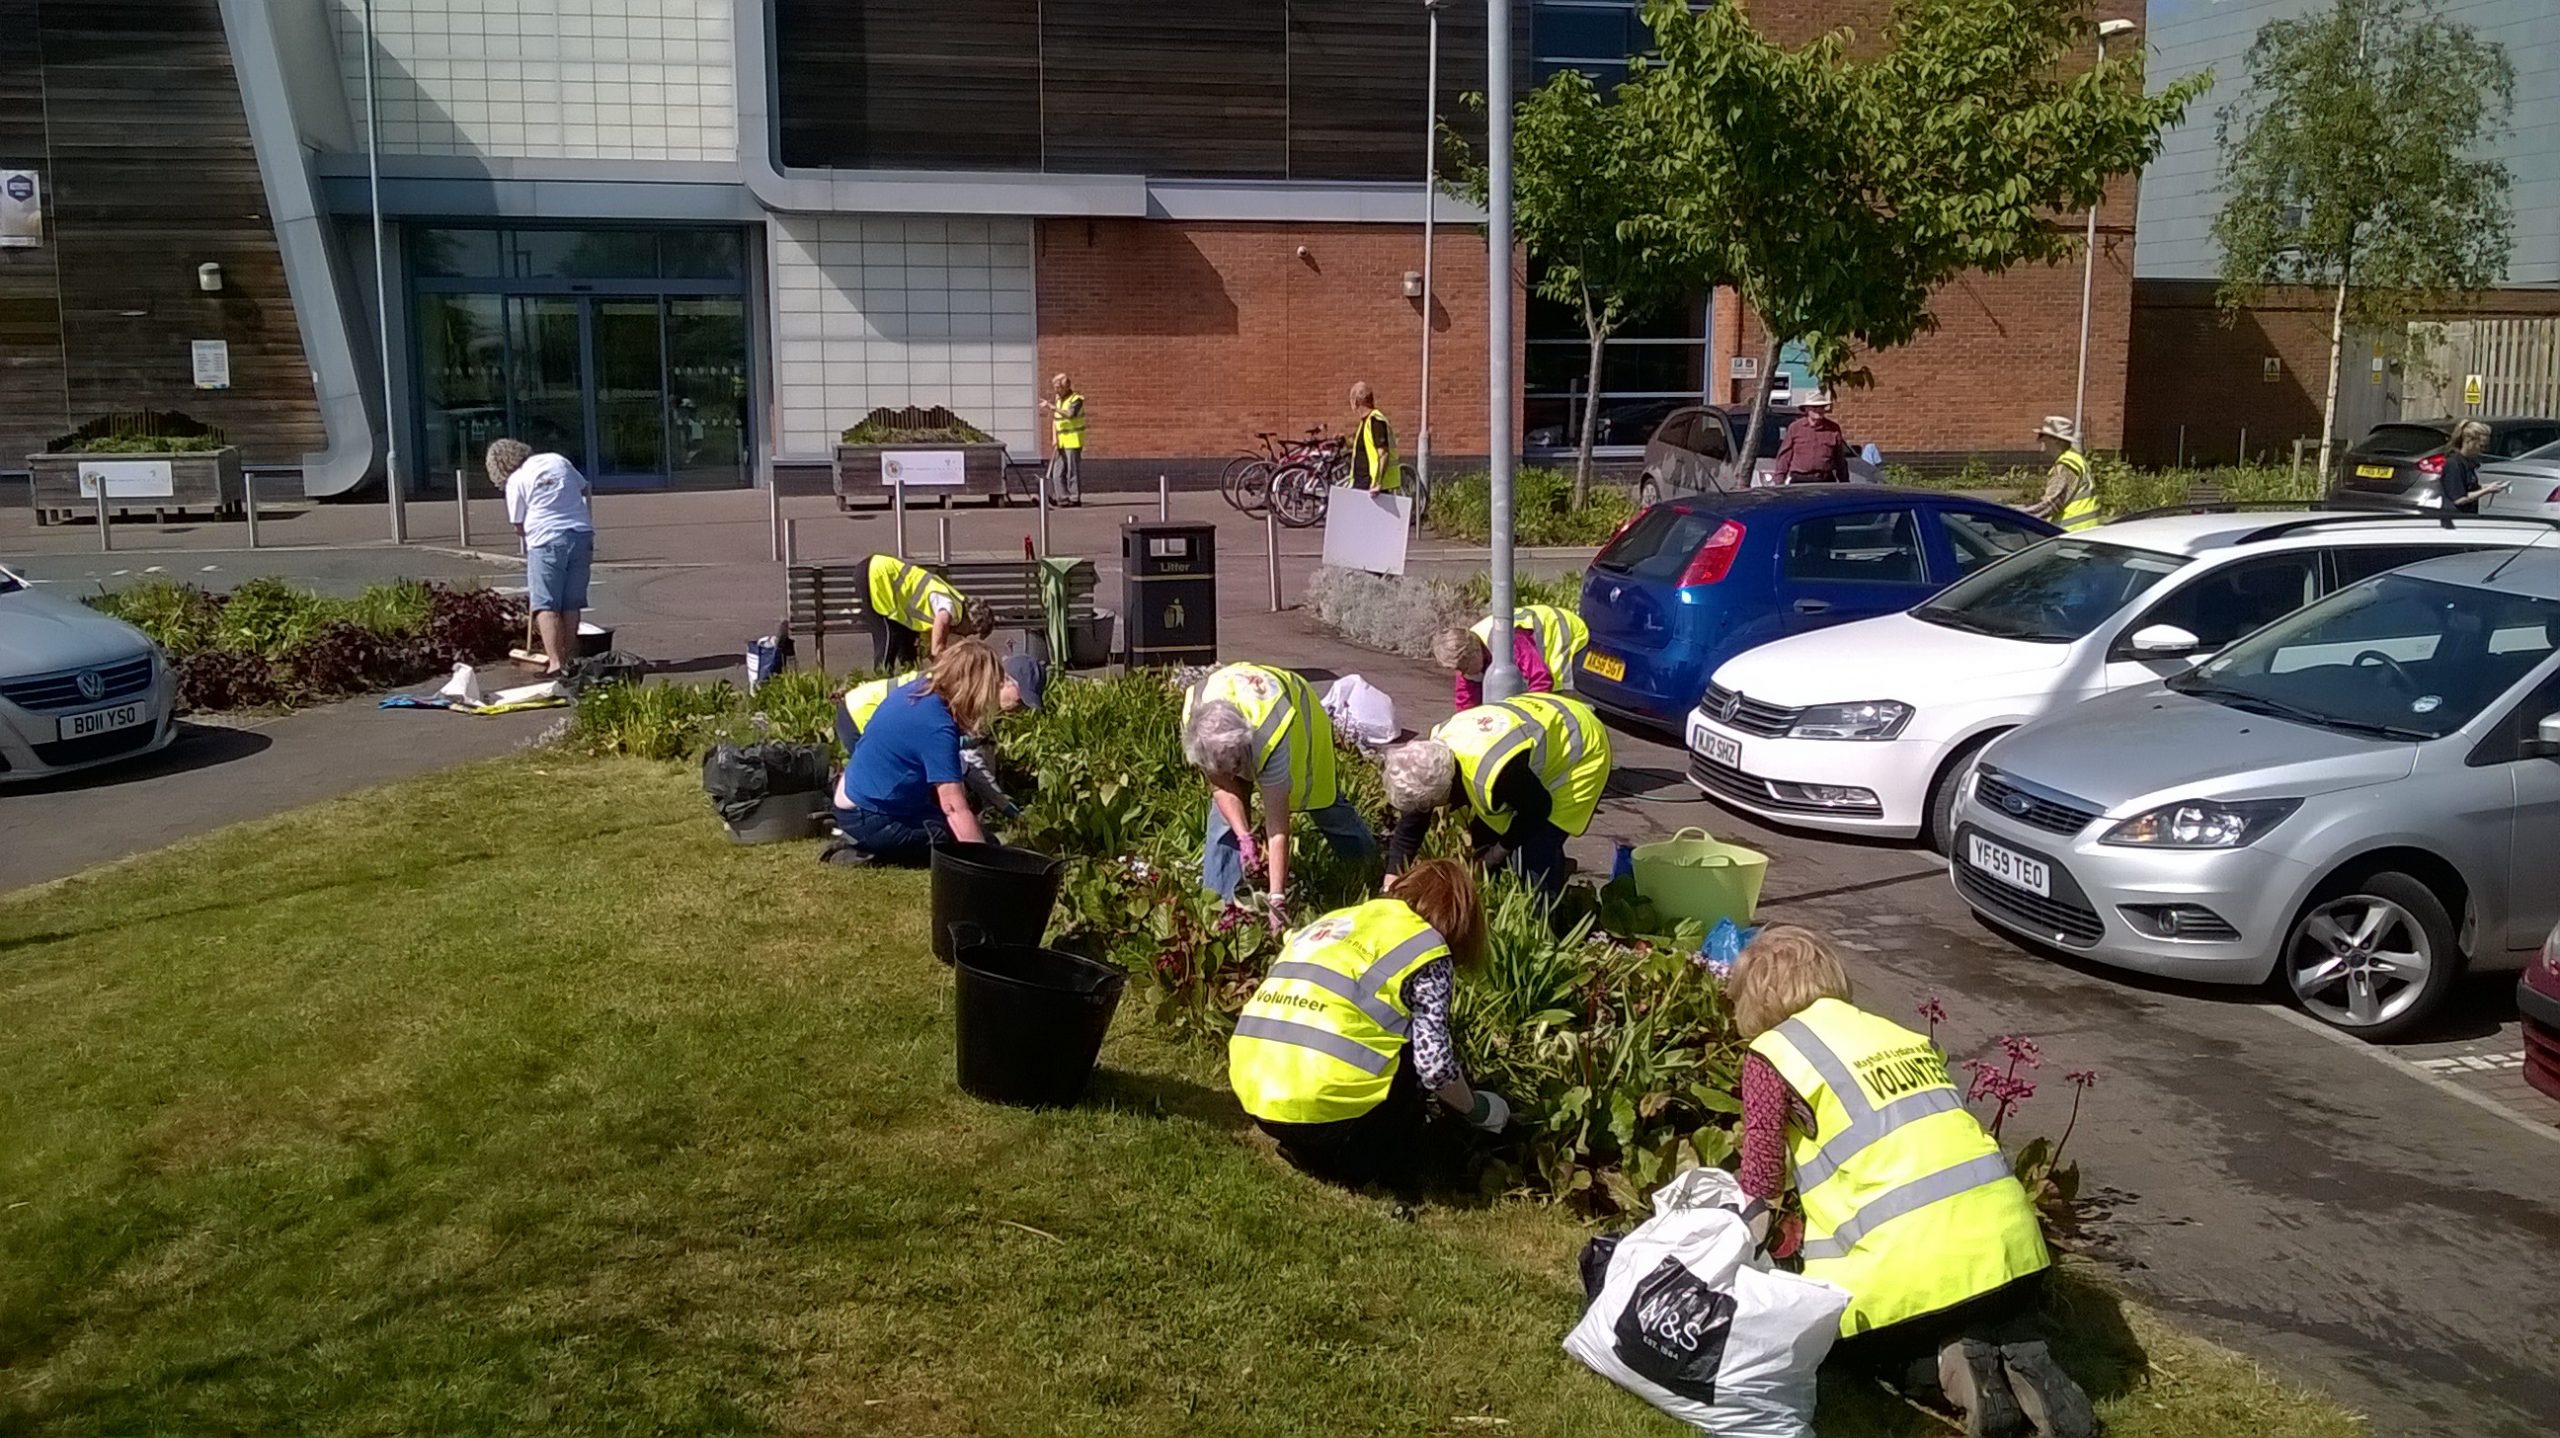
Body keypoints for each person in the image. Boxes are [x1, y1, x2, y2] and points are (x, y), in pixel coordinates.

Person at [1728, 927, 2091, 1438]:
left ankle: (1942, 1372)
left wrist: (1731, 1255)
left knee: (1846, 1350)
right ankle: (2015, 1351)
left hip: (1908, 1283)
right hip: (2017, 1259)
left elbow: (1762, 1182)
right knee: (1977, 1305)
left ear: (1753, 997)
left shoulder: (1773, 1055)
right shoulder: (1894, 1035)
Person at [1228, 857, 1509, 1196]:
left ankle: (1309, 1147)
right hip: (1322, 1107)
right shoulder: (1427, 948)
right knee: (1406, 1052)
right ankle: (1362, 1161)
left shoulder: (1336, 920)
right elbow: (1434, 1067)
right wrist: (1479, 1110)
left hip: (1256, 1091)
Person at [1182, 661, 1379, 913]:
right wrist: (1244, 836)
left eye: (1236, 768)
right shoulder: (1196, 726)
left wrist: (1277, 899)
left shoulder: (1271, 732)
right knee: (1223, 819)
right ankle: (1219, 906)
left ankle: (1368, 866)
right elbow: (1221, 788)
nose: (1233, 776)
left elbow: (1277, 828)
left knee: (1323, 802)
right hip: (1234, 736)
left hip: (1297, 720)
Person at [1382, 693, 1610, 903]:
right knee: (1486, 835)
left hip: (1580, 744)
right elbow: (1412, 824)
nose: (1426, 810)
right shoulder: (1428, 760)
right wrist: (1390, 885)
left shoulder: (1494, 773)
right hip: (1540, 715)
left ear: (1445, 790)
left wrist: (1496, 854)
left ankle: (1545, 920)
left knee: (1538, 847)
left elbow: (1539, 808)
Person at [830, 639, 1006, 866]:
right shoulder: (937, 726)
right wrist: (985, 863)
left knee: (961, 831)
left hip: (857, 797)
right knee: (956, 842)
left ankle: (861, 841)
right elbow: (954, 808)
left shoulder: (917, 690)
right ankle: (862, 851)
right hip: (869, 815)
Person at [833, 652, 1043, 819]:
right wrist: (1005, 808)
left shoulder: (974, 685)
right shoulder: (971, 696)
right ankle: (855, 829)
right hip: (860, 714)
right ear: (1007, 681)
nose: (1021, 710)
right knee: (880, 794)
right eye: (1021, 700)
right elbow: (968, 764)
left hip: (874, 712)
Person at [486, 438, 594, 674]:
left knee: (546, 604)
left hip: (546, 541)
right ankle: (570, 658)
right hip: (581, 535)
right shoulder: (558, 460)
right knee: (571, 602)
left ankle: (556, 662)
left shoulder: (516, 480)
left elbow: (518, 524)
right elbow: (582, 486)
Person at [1432, 604, 1592, 708]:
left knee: (1561, 698)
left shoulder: (1509, 640)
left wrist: (1529, 713)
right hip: (1536, 636)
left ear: (1475, 653)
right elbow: (1466, 702)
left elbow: (1541, 678)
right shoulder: (1466, 650)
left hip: (1564, 634)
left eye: (1464, 667)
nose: (1462, 673)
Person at [862, 553, 990, 667]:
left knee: (908, 650)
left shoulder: (955, 604)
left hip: (880, 575)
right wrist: (940, 656)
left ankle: (908, 680)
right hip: (877, 576)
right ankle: (879, 681)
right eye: (971, 632)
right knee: (889, 638)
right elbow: (938, 639)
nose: (966, 635)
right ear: (971, 622)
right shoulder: (951, 609)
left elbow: (929, 647)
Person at [2024, 417, 2099, 532]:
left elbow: (2051, 504)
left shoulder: (2066, 466)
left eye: (2043, 436)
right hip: (2084, 531)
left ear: (2057, 440)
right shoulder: (2075, 459)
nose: (2039, 441)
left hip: (2072, 533)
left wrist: (2016, 516)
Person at [1772, 389, 1851, 484]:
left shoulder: (1833, 428)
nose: (1819, 410)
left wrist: (1844, 482)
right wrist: (1779, 481)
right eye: (1815, 407)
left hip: (1825, 480)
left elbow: (1840, 459)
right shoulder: (1795, 428)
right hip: (1800, 480)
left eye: (1822, 407)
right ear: (1807, 409)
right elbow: (1784, 456)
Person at [1037, 373, 1086, 507]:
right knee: (1057, 471)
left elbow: (1070, 415)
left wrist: (1052, 407)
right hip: (1061, 441)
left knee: (1072, 471)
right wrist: (1054, 437)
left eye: (1058, 387)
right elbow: (1056, 420)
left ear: (1066, 387)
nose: (1056, 390)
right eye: (1055, 387)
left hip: (1073, 440)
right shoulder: (1059, 399)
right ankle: (1062, 497)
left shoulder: (1076, 399)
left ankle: (1074, 498)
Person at [2440, 418, 2510, 510]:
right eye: (2481, 446)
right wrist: (2487, 490)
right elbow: (2459, 499)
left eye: (2486, 446)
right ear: (2469, 441)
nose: (2483, 450)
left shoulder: (2468, 462)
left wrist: (2489, 486)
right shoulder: (2454, 464)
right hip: (2456, 517)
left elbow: (2469, 488)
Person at [1346, 381, 1400, 492]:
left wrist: (1378, 483)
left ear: (1355, 402)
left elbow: (1383, 453)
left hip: (1371, 487)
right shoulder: (1365, 423)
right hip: (1362, 485)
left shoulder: (1375, 421)